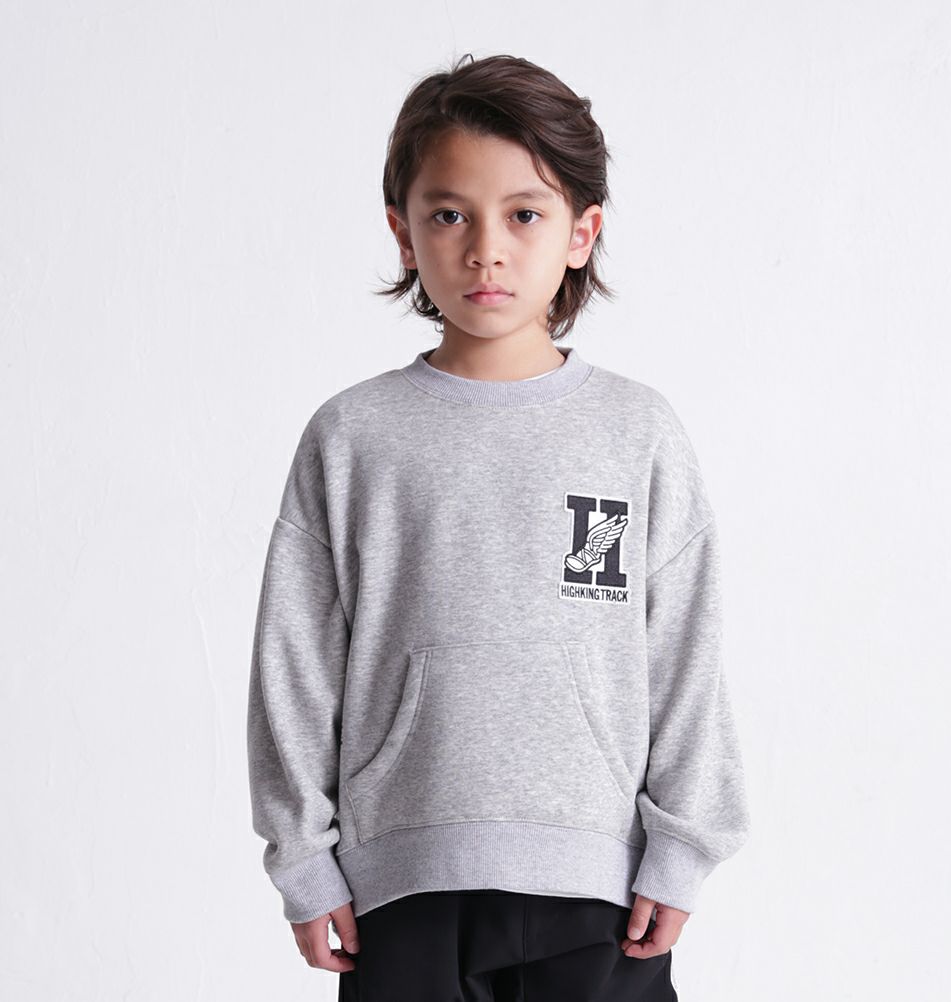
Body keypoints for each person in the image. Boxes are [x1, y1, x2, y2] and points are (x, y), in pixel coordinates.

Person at [246, 52, 751, 1001]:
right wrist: (303, 860)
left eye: (524, 214)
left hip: (601, 888)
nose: (486, 249)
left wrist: (685, 846)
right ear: (402, 232)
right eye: (450, 215)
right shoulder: (353, 436)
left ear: (581, 232)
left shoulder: (636, 432)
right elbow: (295, 664)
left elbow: (685, 652)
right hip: (402, 883)